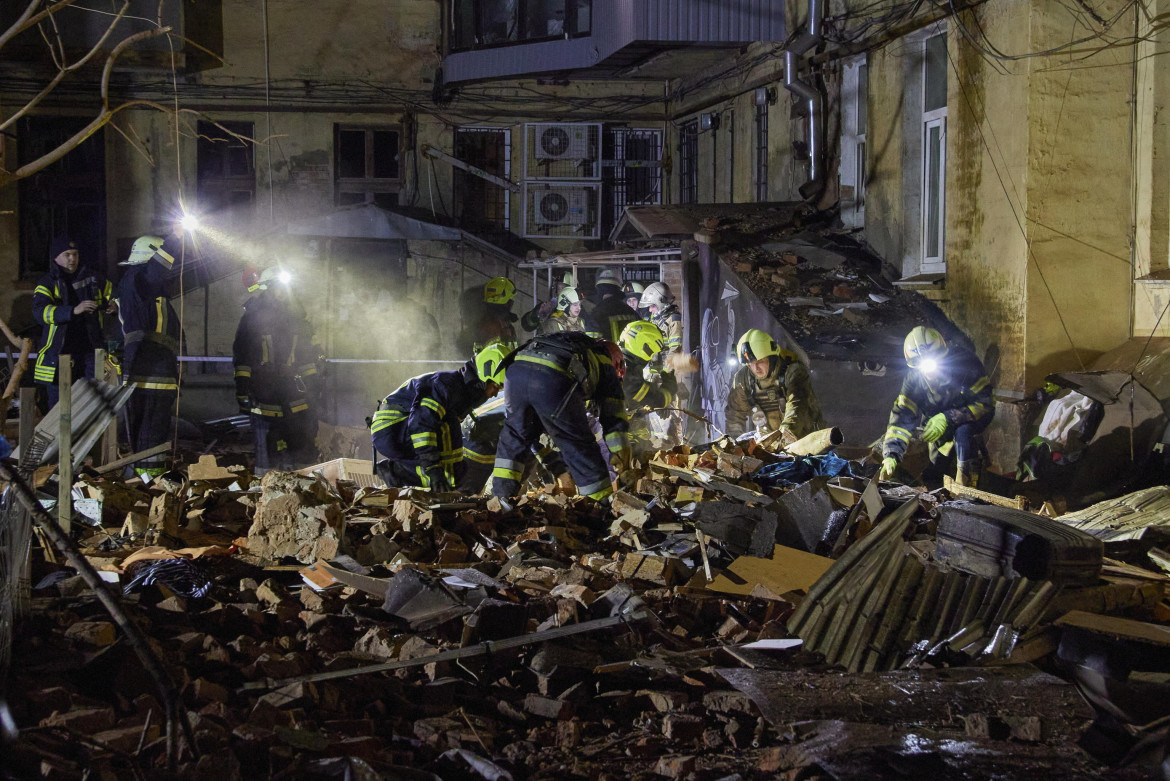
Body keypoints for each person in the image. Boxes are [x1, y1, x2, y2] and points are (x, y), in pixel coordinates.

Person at [491, 332, 629, 504]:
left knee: (514, 437)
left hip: (515, 372)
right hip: (552, 377)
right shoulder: (605, 364)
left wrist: (559, 469)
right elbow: (613, 416)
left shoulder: (577, 347)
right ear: (617, 363)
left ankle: (499, 500)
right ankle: (600, 505)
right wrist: (621, 452)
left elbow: (539, 434)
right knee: (579, 443)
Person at [371, 341, 509, 491]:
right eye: (494, 386)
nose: (495, 393)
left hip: (399, 432)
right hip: (391, 429)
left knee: (457, 472)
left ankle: (408, 476)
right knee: (447, 429)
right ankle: (395, 473)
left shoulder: (461, 395)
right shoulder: (446, 386)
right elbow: (421, 424)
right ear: (484, 377)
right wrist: (433, 468)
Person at [878, 326, 993, 487]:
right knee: (936, 469)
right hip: (936, 424)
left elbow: (985, 403)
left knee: (963, 434)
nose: (927, 368)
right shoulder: (914, 380)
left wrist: (950, 417)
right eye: (919, 362)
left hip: (969, 417)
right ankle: (937, 495)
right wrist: (891, 453)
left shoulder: (965, 364)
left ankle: (968, 486)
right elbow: (902, 418)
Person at [233, 266, 322, 472]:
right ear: (268, 288)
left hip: (294, 391)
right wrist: (243, 388)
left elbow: (306, 355)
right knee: (268, 447)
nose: (283, 293)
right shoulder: (253, 318)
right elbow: (243, 355)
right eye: (279, 288)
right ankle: (264, 491)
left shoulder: (297, 319)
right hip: (264, 392)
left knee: (302, 441)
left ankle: (305, 486)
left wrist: (314, 383)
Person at [116, 235, 180, 477]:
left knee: (151, 429)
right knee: (151, 430)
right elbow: (155, 272)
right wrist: (175, 239)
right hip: (150, 370)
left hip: (153, 367)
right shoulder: (139, 279)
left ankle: (147, 478)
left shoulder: (142, 289)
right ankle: (148, 482)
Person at [32, 235, 114, 409]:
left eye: (75, 254)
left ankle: (89, 437)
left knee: (91, 405)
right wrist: (72, 311)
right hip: (60, 355)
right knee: (59, 408)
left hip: (90, 353)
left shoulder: (93, 278)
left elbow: (115, 294)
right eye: (67, 254)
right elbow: (40, 313)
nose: (72, 258)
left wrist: (115, 305)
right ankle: (58, 437)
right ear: (56, 257)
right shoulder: (47, 283)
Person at [459, 394, 573, 494]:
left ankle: (496, 500)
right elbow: (530, 442)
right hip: (476, 441)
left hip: (488, 436)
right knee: (470, 491)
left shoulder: (537, 400)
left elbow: (534, 444)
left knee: (524, 456)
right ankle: (495, 502)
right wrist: (561, 472)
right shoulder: (533, 408)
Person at [725, 328, 825, 443]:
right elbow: (734, 417)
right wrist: (737, 446)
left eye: (760, 361)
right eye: (751, 363)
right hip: (769, 442)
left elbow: (796, 408)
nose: (756, 368)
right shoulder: (743, 378)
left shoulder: (792, 372)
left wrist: (783, 440)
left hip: (805, 441)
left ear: (772, 358)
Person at [617, 320, 677, 451]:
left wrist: (644, 409)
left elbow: (632, 399)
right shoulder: (627, 371)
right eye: (652, 352)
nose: (650, 358)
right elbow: (656, 399)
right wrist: (669, 389)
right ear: (644, 347)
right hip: (603, 431)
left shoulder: (619, 359)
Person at [584, 271, 640, 343]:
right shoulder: (631, 312)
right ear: (617, 290)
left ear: (599, 290)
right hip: (629, 353)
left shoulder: (596, 314)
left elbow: (591, 344)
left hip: (608, 353)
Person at [475, 276, 518, 346]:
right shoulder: (491, 324)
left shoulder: (502, 320)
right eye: (509, 298)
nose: (511, 301)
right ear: (500, 298)